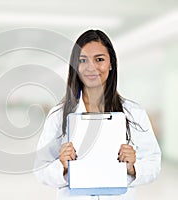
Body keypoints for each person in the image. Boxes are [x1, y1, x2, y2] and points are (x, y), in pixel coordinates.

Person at [34, 29, 161, 200]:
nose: (91, 67)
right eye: (83, 60)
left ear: (111, 64)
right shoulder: (58, 116)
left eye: (99, 59)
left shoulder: (133, 113)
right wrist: (62, 165)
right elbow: (40, 170)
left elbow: (153, 163)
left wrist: (133, 167)